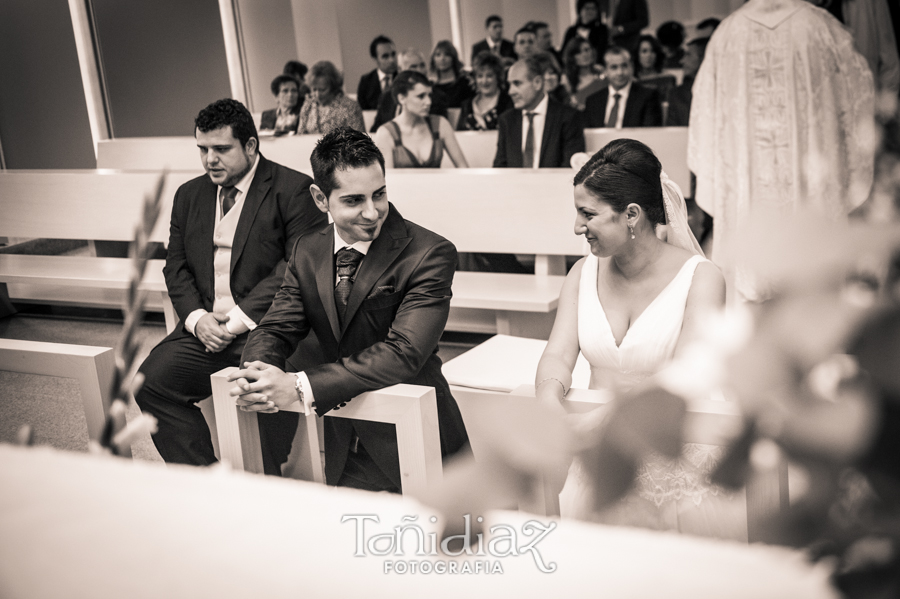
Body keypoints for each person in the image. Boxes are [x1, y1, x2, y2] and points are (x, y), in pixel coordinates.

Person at [227, 127, 469, 493]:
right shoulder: (308, 249)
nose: (373, 212)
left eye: (380, 194)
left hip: (415, 431)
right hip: (345, 436)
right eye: (355, 200)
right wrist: (257, 372)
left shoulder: (429, 253)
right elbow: (277, 326)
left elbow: (404, 353)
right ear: (320, 198)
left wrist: (298, 385)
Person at [535, 139, 743, 539]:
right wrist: (549, 401)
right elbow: (558, 352)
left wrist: (605, 422)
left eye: (588, 214)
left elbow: (685, 376)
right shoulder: (582, 273)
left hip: (671, 460)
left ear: (631, 215)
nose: (577, 227)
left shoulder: (701, 278)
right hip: (595, 454)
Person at [134, 98, 327, 471]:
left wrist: (236, 320)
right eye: (203, 149)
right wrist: (195, 318)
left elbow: (297, 267)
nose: (210, 160)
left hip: (270, 330)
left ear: (251, 146)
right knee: (150, 382)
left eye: (221, 149)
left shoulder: (294, 190)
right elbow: (175, 266)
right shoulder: (189, 195)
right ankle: (207, 478)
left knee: (260, 413)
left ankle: (264, 486)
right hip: (204, 329)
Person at [688, 0, 875, 302]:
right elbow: (859, 104)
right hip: (812, 200)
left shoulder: (728, 34)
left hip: (748, 203)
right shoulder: (820, 27)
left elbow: (704, 122)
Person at [493, 57, 585, 168]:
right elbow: (500, 167)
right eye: (509, 85)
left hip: (554, 184)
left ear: (537, 83)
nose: (511, 91)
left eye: (517, 83)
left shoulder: (569, 117)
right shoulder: (507, 120)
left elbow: (571, 170)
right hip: (514, 185)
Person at [373, 70, 468, 168]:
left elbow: (464, 169)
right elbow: (387, 180)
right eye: (421, 96)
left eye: (429, 95)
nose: (428, 102)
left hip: (437, 183)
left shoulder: (440, 124)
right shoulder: (386, 133)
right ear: (402, 98)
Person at [371, 48, 449, 133]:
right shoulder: (387, 97)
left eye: (422, 65)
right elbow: (375, 130)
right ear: (400, 70)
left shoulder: (436, 96)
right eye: (413, 67)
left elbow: (436, 129)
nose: (420, 70)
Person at [584, 46, 662, 128]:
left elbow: (650, 134)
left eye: (624, 66)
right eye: (614, 67)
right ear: (605, 70)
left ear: (631, 67)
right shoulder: (593, 101)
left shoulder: (648, 97)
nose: (620, 72)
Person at [298, 61, 365, 135]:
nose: (317, 95)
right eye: (314, 90)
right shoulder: (308, 105)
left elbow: (359, 140)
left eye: (322, 90)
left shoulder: (350, 107)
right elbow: (300, 136)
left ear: (333, 87)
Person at [456, 51, 514, 131]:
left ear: (498, 77)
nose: (484, 81)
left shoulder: (509, 103)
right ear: (475, 79)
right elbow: (459, 135)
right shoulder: (466, 105)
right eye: (480, 76)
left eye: (489, 76)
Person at [665, 37, 708, 126]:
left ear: (704, 57)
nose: (682, 61)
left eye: (688, 54)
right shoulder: (677, 94)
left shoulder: (723, 93)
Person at [562, 37, 606, 110]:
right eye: (578, 52)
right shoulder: (567, 79)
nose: (585, 54)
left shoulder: (601, 71)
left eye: (587, 50)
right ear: (572, 56)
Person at [356, 35, 398, 111]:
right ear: (375, 59)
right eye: (385, 56)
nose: (392, 60)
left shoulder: (402, 77)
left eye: (393, 54)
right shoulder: (366, 82)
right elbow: (363, 111)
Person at [429, 41, 474, 109]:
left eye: (447, 54)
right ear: (433, 59)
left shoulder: (465, 82)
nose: (442, 58)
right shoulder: (431, 86)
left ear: (453, 57)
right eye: (438, 55)